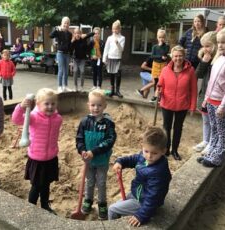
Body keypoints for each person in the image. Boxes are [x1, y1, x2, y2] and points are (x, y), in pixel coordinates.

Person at [11, 88, 62, 214]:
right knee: (36, 186)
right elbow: (16, 120)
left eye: (53, 104)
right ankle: (31, 207)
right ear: (38, 104)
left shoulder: (58, 119)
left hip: (51, 157)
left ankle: (45, 205)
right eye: (46, 104)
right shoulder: (33, 117)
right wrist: (21, 107)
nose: (50, 107)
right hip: (37, 159)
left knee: (46, 185)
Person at [108, 126, 171, 226]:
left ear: (163, 151)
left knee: (112, 209)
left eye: (154, 153)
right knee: (119, 204)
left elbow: (153, 197)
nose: (149, 156)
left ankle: (112, 227)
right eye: (146, 151)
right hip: (138, 192)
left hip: (143, 201)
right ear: (142, 147)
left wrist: (141, 215)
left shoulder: (158, 173)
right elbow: (133, 159)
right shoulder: (143, 156)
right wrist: (120, 162)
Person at [197, 26, 225, 167]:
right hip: (211, 99)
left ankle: (218, 157)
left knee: (222, 131)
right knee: (214, 128)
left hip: (221, 102)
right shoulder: (219, 58)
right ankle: (211, 153)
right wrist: (206, 98)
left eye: (224, 42)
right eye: (219, 42)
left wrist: (223, 105)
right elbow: (211, 81)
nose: (220, 45)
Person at [76, 89, 116, 220]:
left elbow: (110, 140)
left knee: (101, 182)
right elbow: (79, 138)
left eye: (99, 105)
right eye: (93, 105)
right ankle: (88, 200)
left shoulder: (108, 123)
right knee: (90, 181)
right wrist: (82, 150)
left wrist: (94, 152)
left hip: (102, 160)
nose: (96, 108)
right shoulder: (84, 122)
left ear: (105, 105)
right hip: (88, 160)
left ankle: (102, 204)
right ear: (88, 105)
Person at [157, 45, 197, 160]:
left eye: (180, 56)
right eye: (175, 56)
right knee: (166, 127)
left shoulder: (190, 71)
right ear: (171, 57)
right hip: (167, 103)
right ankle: (166, 149)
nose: (178, 58)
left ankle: (175, 150)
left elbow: (193, 90)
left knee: (178, 128)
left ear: (184, 56)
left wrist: (192, 106)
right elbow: (160, 84)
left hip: (182, 104)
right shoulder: (165, 70)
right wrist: (158, 90)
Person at [192, 31, 218, 155]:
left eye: (208, 46)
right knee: (206, 120)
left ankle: (212, 143)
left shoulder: (219, 59)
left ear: (215, 45)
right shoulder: (205, 58)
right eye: (204, 46)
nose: (205, 49)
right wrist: (204, 62)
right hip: (204, 94)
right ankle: (206, 140)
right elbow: (197, 75)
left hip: (214, 95)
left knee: (214, 122)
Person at [103, 20, 125, 98]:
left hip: (118, 58)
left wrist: (117, 43)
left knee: (118, 74)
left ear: (119, 29)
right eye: (114, 29)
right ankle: (112, 90)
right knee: (111, 74)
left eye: (117, 29)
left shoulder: (122, 38)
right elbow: (106, 48)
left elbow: (121, 49)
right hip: (110, 58)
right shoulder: (109, 38)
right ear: (112, 29)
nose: (115, 30)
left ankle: (117, 90)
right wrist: (104, 58)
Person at [50, 16, 73, 93]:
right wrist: (56, 29)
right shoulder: (58, 31)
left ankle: (65, 86)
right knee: (61, 71)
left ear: (69, 24)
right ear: (61, 23)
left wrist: (71, 54)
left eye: (67, 23)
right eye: (64, 23)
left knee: (66, 71)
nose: (66, 24)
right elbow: (51, 36)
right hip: (60, 53)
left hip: (67, 54)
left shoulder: (70, 34)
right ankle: (59, 86)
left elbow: (70, 45)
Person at [70, 27, 94, 91]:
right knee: (75, 71)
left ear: (81, 34)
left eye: (78, 33)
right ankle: (75, 86)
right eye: (76, 33)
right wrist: (72, 42)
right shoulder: (73, 41)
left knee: (82, 72)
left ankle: (81, 86)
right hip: (76, 59)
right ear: (74, 34)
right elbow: (70, 49)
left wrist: (87, 34)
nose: (77, 34)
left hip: (82, 59)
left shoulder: (83, 38)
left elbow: (91, 34)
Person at [149, 29, 170, 102]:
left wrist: (161, 46)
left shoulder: (166, 46)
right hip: (155, 65)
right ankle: (155, 95)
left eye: (163, 37)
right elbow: (152, 56)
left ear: (165, 38)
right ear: (157, 38)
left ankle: (159, 96)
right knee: (155, 81)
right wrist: (160, 57)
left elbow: (165, 54)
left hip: (163, 65)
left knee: (161, 81)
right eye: (160, 37)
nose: (161, 39)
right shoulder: (154, 47)